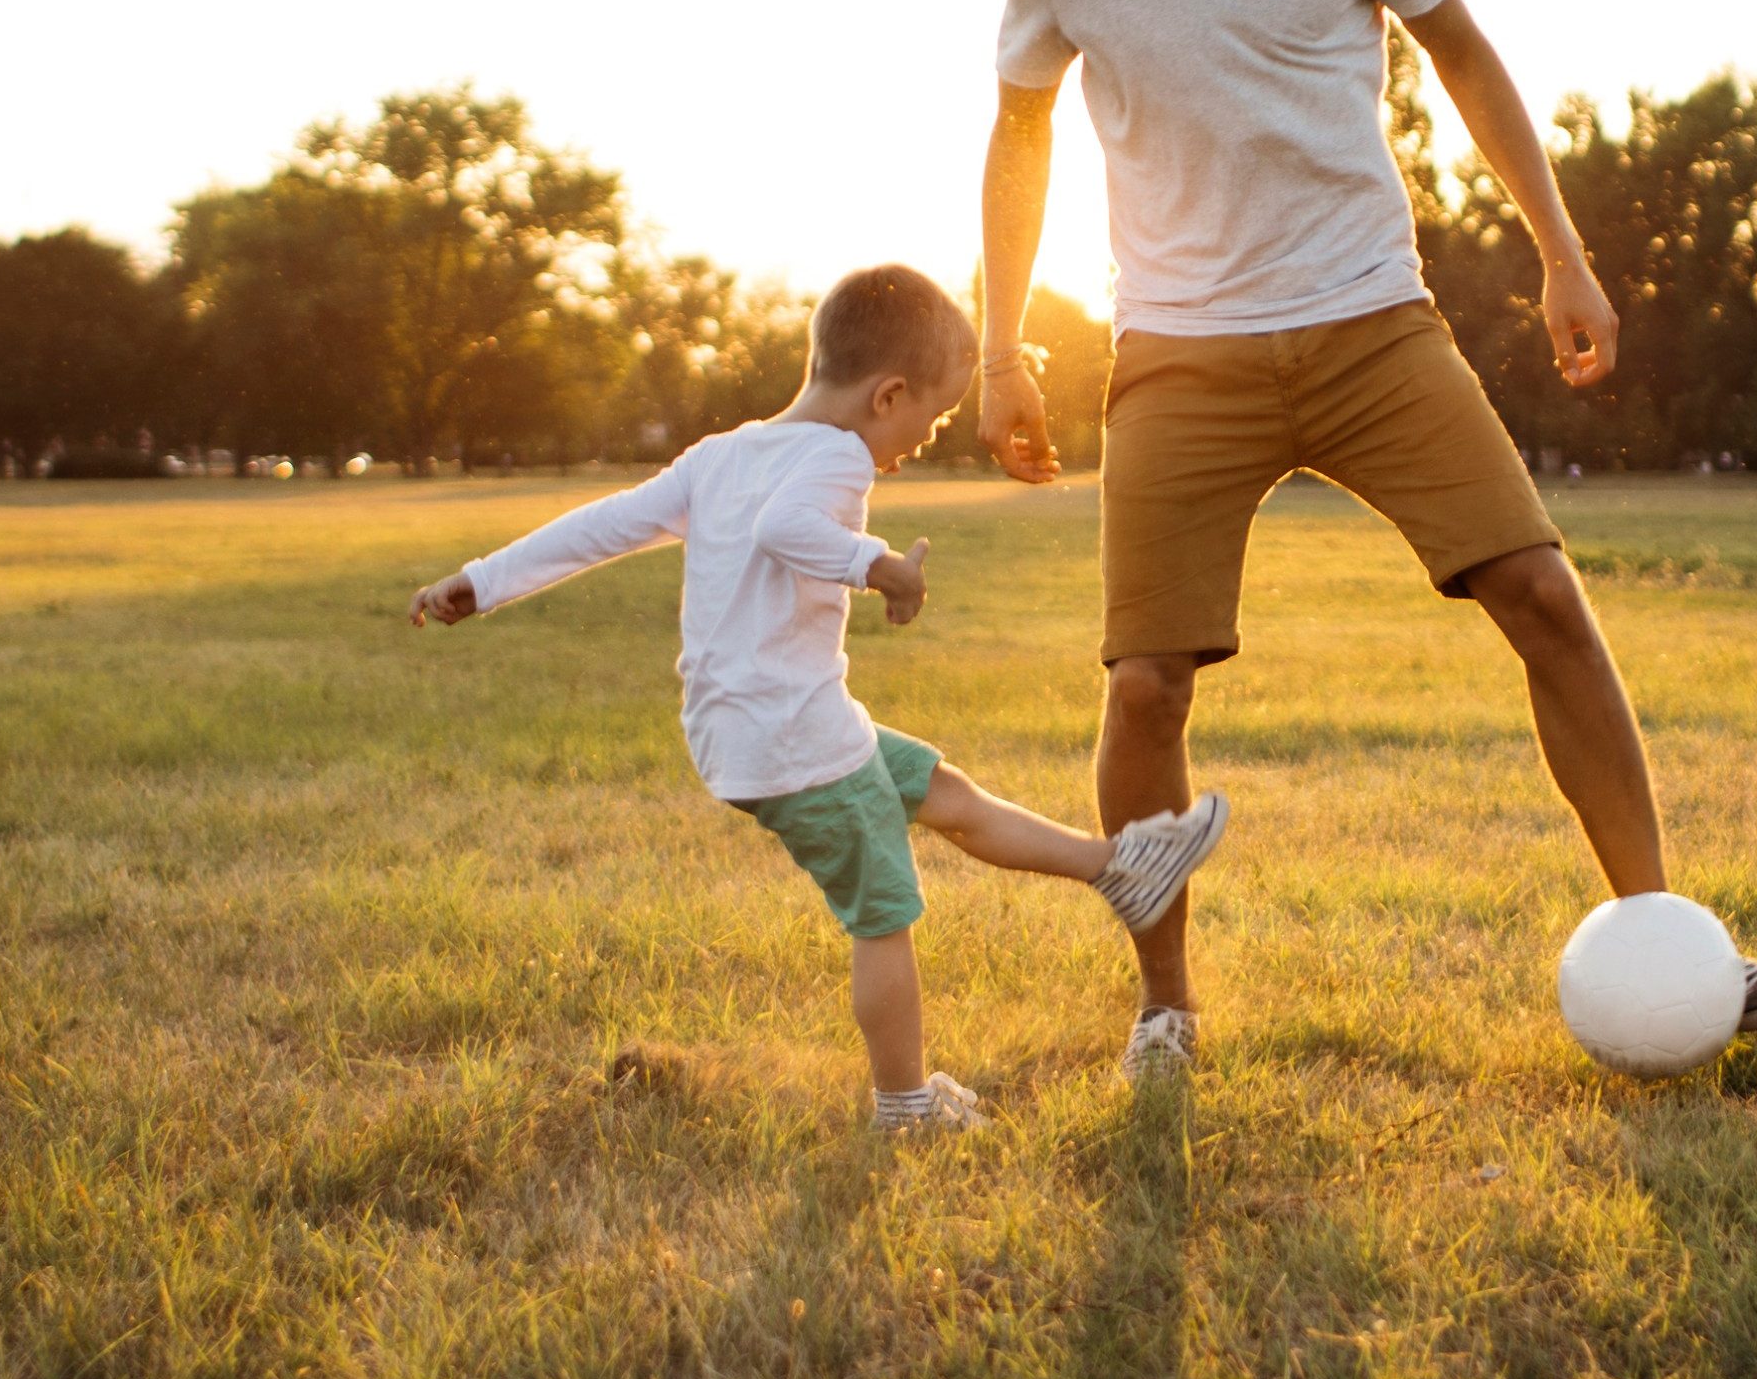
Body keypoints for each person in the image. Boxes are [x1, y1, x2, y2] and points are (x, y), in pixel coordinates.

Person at [979, 0, 1757, 1081]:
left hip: (1373, 318)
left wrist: (1561, 249)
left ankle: (1675, 942)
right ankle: (1165, 1004)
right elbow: (1019, 134)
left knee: (1545, 596)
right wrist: (997, 341)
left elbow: (1467, 59)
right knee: (1144, 688)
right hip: (1181, 351)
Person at [408, 264, 1231, 1133]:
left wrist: (484, 580)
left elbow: (606, 525)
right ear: (888, 395)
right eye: (933, 415)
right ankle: (905, 1105)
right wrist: (878, 566)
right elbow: (787, 530)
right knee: (883, 911)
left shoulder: (721, 455)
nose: (925, 436)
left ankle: (1119, 871)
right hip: (794, 739)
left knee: (939, 789)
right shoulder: (837, 454)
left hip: (757, 730)